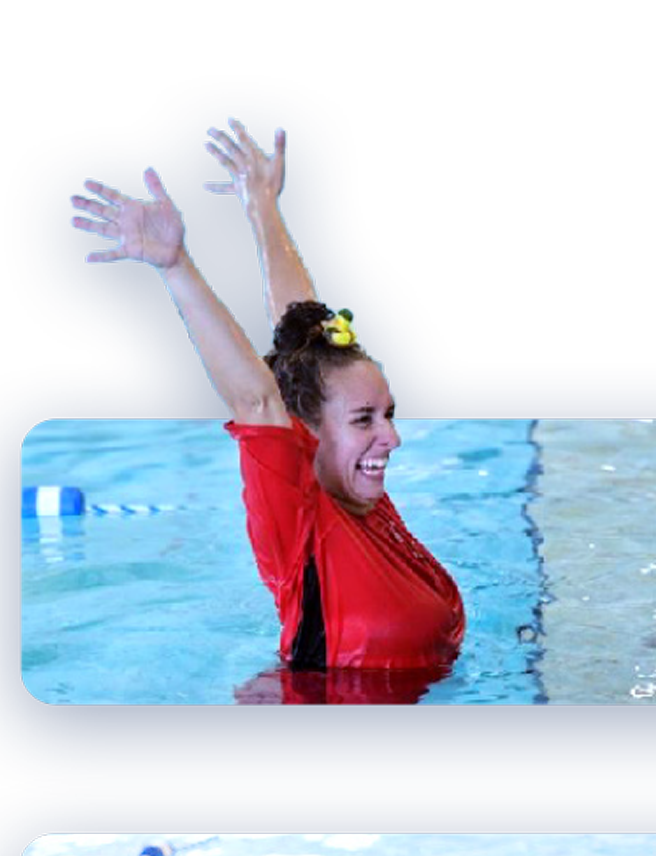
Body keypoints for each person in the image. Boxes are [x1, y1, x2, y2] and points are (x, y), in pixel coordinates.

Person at [68, 117, 464, 690]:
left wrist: (264, 208)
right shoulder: (302, 521)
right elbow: (255, 400)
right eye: (365, 420)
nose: (391, 438)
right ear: (307, 431)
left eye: (389, 414)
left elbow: (301, 337)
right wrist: (176, 268)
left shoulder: (360, 498)